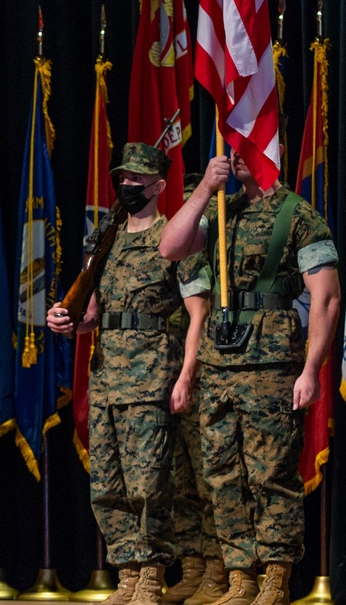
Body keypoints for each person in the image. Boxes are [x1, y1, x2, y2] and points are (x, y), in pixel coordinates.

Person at [159, 150, 340, 605]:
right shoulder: (222, 213)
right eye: (229, 144)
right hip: (219, 365)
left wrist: (311, 369)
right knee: (221, 475)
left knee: (271, 474)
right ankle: (240, 576)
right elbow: (170, 246)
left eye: (245, 141)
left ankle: (275, 577)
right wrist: (204, 189)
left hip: (270, 365)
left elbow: (327, 297)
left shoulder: (298, 214)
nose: (233, 152)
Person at [47, 143, 197, 605]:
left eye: (138, 179)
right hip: (107, 375)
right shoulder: (103, 239)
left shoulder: (175, 238)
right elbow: (92, 312)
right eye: (123, 179)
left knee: (148, 481)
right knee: (107, 483)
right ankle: (128, 573)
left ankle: (151, 573)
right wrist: (68, 319)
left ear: (159, 185)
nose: (128, 186)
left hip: (153, 374)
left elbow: (198, 311)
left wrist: (186, 374)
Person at [163, 174, 224, 605]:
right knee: (180, 481)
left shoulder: (210, 255)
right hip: (167, 376)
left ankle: (218, 573)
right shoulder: (174, 252)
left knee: (209, 482)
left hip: (203, 378)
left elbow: (199, 319)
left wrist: (187, 375)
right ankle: (192, 568)